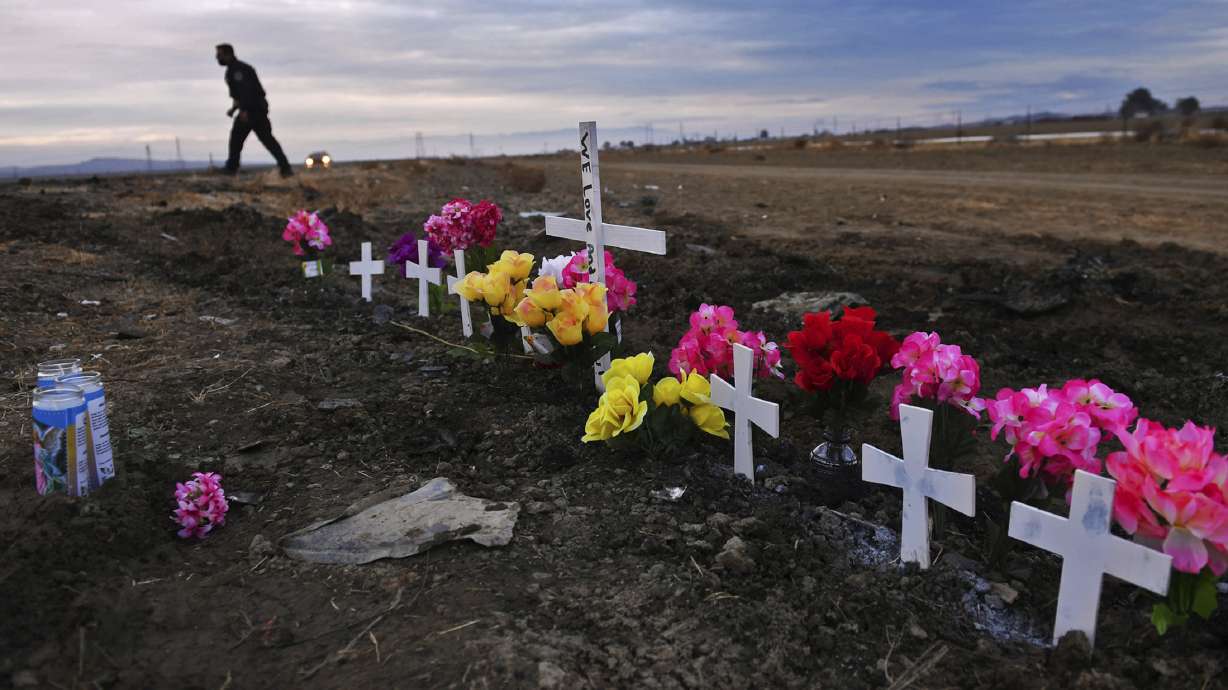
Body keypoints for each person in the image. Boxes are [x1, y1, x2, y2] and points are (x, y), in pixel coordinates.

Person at [215, 43, 293, 177]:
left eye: (219, 55)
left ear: (228, 54)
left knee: (236, 138)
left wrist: (244, 110)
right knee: (267, 139)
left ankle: (231, 168)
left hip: (252, 110)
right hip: (255, 109)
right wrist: (234, 109)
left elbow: (247, 91)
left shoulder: (238, 70)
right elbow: (239, 94)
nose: (217, 58)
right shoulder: (234, 70)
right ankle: (285, 168)